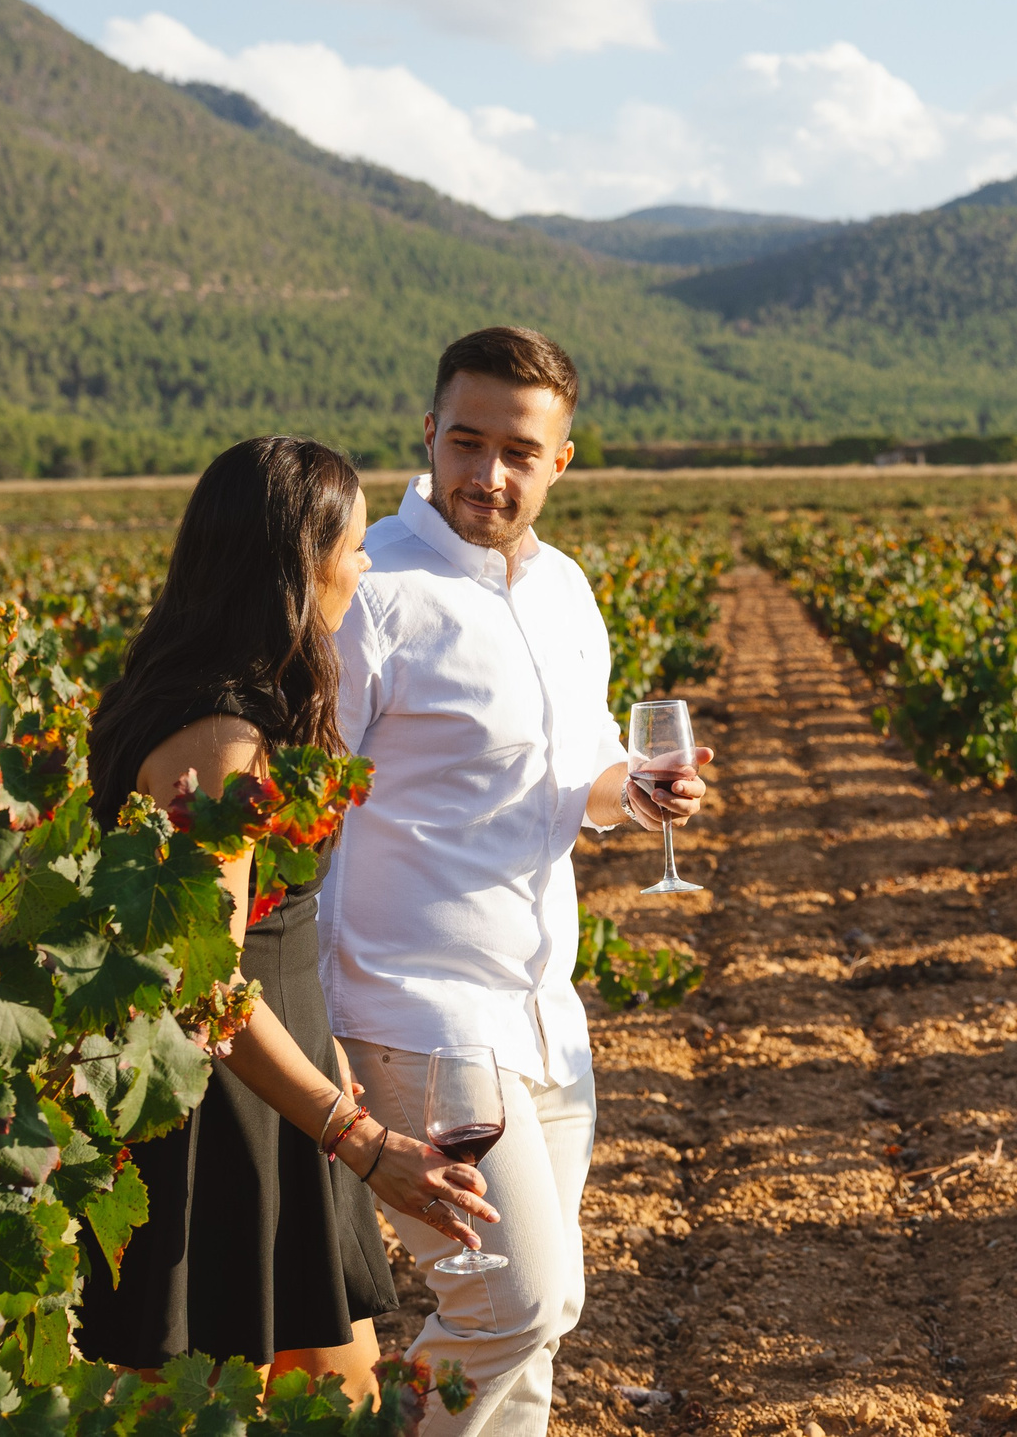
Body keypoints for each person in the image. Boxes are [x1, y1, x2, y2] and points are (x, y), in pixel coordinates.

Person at [324, 328, 712, 1437]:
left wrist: (632, 795)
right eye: (466, 441)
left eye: (518, 452)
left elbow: (578, 773)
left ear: (562, 462)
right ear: (429, 435)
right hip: (418, 1012)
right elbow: (307, 824)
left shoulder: (565, 591)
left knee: (536, 1331)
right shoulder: (372, 594)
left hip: (545, 1011)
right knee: (513, 1300)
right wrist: (324, 1033)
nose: (486, 476)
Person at [77, 434, 502, 1397]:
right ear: (297, 569)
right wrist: (360, 1137)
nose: (364, 566)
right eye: (352, 547)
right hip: (225, 1125)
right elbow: (207, 986)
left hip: (286, 1095)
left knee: (325, 1397)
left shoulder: (234, 708)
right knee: (239, 1402)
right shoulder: (219, 739)